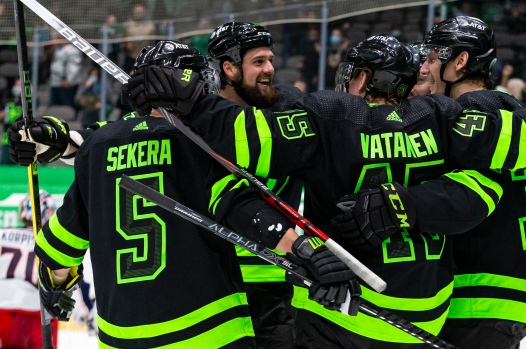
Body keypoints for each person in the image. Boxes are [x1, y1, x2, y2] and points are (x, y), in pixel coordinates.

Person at [123, 35, 526, 348]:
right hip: (422, 315)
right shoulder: (446, 118)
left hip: (339, 312)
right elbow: (519, 143)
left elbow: (247, 139)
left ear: (363, 78)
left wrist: (190, 102)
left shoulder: (329, 116)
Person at [20, 41, 360, 349]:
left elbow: (60, 242)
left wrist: (57, 286)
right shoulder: (201, 143)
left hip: (121, 336)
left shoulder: (98, 147)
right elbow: (241, 207)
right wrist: (306, 250)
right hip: (207, 330)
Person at [417, 16, 526, 348]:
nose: (424, 69)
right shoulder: (515, 114)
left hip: (481, 288)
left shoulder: (468, 112)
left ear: (459, 62)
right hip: (518, 291)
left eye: (432, 58)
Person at [205, 22, 306, 349]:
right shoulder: (200, 120)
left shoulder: (288, 109)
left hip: (273, 280)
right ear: (230, 68)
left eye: (270, 60)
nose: (270, 69)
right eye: (259, 61)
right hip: (214, 281)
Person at [0, 191, 59, 348]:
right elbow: (67, 283)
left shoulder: (2, 233)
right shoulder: (52, 245)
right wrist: (84, 316)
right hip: (36, 314)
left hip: (2, 310)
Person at [1, 80, 24, 164]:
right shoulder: (8, 101)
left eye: (20, 86)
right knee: (5, 162)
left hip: (21, 137)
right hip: (7, 137)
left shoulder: (26, 104)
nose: (17, 88)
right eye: (16, 85)